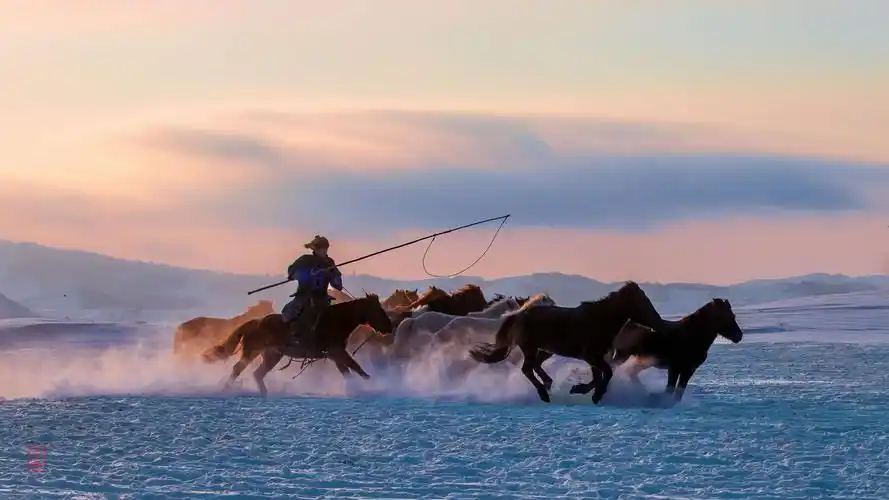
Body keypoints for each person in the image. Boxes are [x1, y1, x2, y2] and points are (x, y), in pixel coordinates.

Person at [280, 235, 344, 351]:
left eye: (325, 248)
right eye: (321, 249)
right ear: (315, 249)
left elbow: (338, 285)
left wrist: (334, 274)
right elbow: (292, 272)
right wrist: (309, 273)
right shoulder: (305, 260)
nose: (324, 251)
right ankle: (294, 337)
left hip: (323, 297)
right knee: (291, 314)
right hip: (305, 295)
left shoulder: (329, 262)